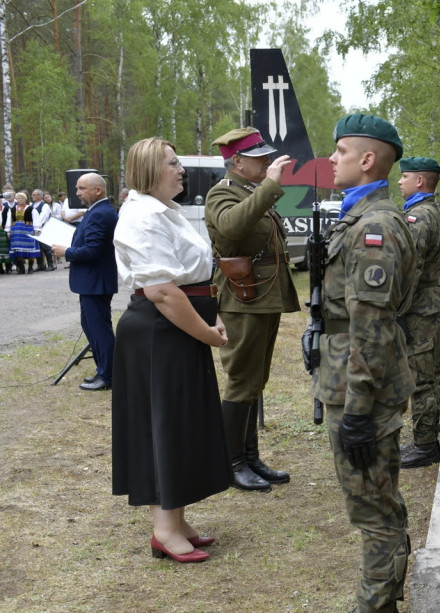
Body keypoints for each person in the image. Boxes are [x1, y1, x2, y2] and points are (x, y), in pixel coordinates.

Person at [307, 115, 417, 613]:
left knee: (373, 510)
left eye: (342, 150)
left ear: (368, 160)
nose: (334, 159)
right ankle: (377, 608)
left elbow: (370, 327)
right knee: (377, 502)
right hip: (353, 379)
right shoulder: (362, 218)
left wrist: (355, 410)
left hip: (362, 390)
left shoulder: (374, 227)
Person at [110, 137, 231, 564]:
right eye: (172, 163)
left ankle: (176, 520)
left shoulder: (168, 212)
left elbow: (190, 280)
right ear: (148, 170)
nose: (181, 170)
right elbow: (162, 290)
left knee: (180, 423)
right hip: (161, 332)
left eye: (179, 163)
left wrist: (206, 319)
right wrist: (205, 332)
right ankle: (164, 529)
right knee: (163, 425)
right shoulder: (142, 215)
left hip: (177, 328)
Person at [205, 127, 300, 491]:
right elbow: (231, 228)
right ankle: (231, 463)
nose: (266, 163)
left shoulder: (247, 191)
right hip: (242, 299)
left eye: (266, 157)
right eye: (258, 158)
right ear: (237, 161)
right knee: (242, 380)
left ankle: (249, 457)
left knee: (255, 380)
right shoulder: (223, 193)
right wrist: (268, 187)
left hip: (262, 296)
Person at [396, 157, 440, 468]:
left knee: (422, 379)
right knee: (425, 375)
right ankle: (425, 439)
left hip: (419, 308)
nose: (400, 182)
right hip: (426, 303)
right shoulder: (428, 212)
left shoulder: (419, 218)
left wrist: (397, 309)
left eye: (404, 177)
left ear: (419, 181)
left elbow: (410, 270)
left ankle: (425, 445)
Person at [51, 174, 118, 391]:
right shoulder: (97, 211)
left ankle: (109, 376)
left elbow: (93, 250)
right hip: (92, 281)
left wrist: (66, 252)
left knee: (100, 329)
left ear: (97, 190)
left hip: (95, 282)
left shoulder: (101, 213)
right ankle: (103, 370)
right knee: (91, 326)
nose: (77, 193)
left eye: (81, 188)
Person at [8, 192, 40, 274]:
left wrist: (36, 230)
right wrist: (8, 231)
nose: (20, 200)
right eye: (18, 198)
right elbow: (9, 220)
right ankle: (21, 268)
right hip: (16, 232)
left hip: (28, 231)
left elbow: (36, 219)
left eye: (22, 198)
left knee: (30, 250)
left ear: (25, 199)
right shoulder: (12, 209)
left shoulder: (31, 209)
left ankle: (30, 267)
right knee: (18, 250)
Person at [32, 188, 55, 271]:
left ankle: (50, 265)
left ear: (39, 196)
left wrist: (36, 225)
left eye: (34, 195)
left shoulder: (44, 205)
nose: (32, 196)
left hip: (44, 228)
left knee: (46, 247)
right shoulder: (32, 205)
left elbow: (42, 217)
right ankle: (40, 265)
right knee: (38, 247)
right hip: (35, 228)